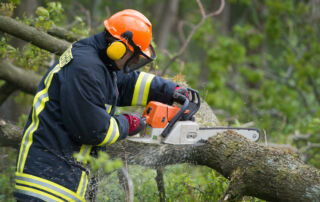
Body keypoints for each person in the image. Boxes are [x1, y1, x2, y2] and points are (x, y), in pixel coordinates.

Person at [14, 9, 188, 201]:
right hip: (47, 184)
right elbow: (94, 131)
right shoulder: (85, 68)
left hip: (60, 181)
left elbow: (127, 84)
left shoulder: (101, 63)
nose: (137, 61)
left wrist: (170, 90)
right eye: (135, 55)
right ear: (119, 47)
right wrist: (127, 123)